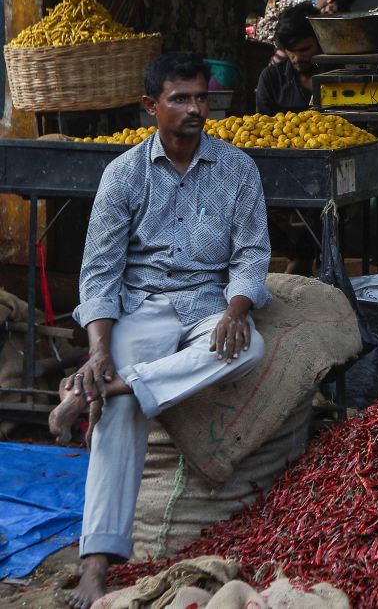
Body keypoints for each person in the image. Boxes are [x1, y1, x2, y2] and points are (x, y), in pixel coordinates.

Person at [51, 52, 271, 609]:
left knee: (252, 350)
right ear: (151, 106)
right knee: (118, 415)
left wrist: (237, 310)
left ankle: (119, 385)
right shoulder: (123, 174)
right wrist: (99, 348)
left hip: (206, 306)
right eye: (181, 98)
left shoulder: (237, 168)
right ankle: (96, 566)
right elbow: (99, 271)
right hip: (141, 306)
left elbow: (251, 256)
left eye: (202, 98)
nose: (196, 108)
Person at [255, 2, 321, 114]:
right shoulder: (271, 79)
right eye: (291, 50)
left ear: (320, 41)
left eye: (305, 49)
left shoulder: (339, 75)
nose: (297, 58)